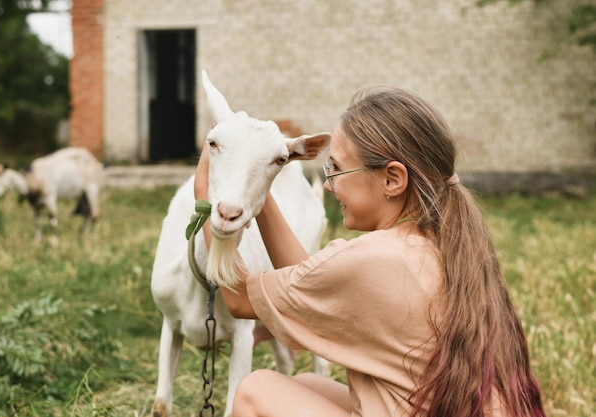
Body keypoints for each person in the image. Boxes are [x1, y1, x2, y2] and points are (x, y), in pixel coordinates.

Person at [194, 85, 546, 417]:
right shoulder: (440, 246)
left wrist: (206, 199)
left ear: (392, 179)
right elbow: (317, 282)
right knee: (305, 384)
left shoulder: (373, 260)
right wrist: (256, 175)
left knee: (257, 389)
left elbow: (239, 300)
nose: (330, 186)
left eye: (336, 169)